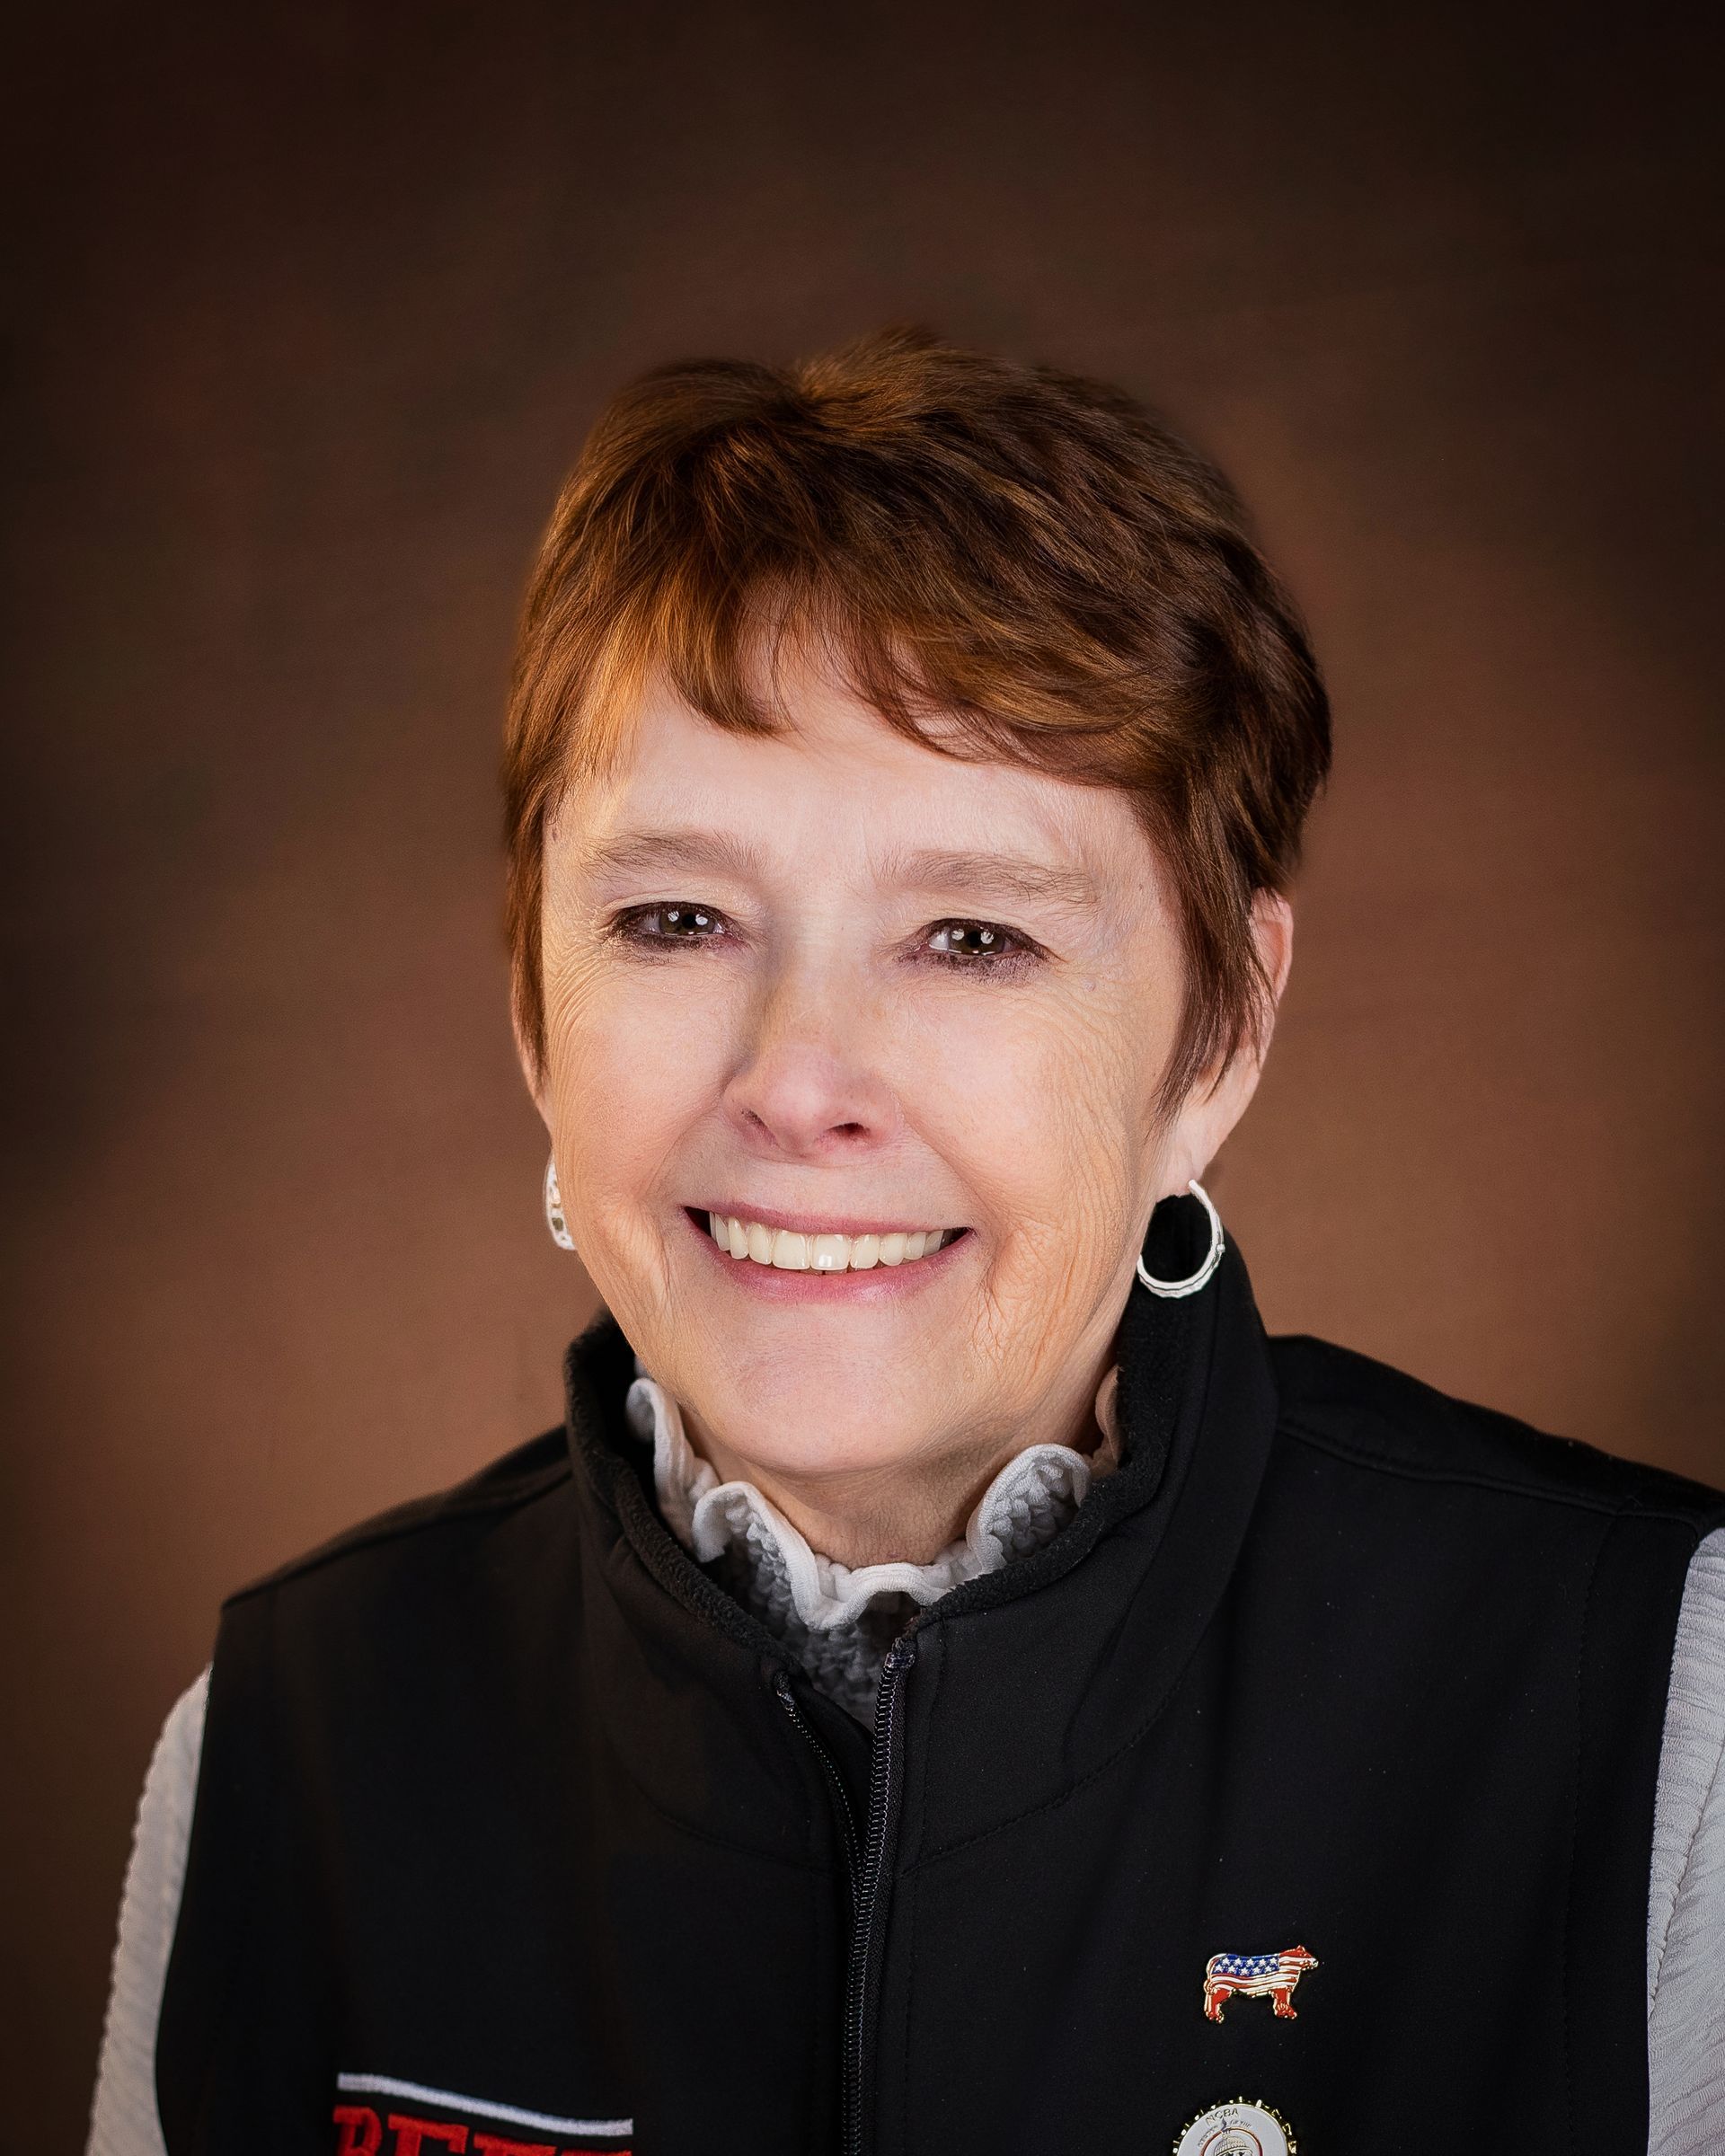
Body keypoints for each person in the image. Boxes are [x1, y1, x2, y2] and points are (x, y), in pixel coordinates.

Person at [88, 331, 1724, 2156]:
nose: (800, 1084)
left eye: (972, 938)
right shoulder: (281, 1743)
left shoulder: (1663, 1705)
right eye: (680, 915)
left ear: (1221, 1037)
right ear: (536, 1013)